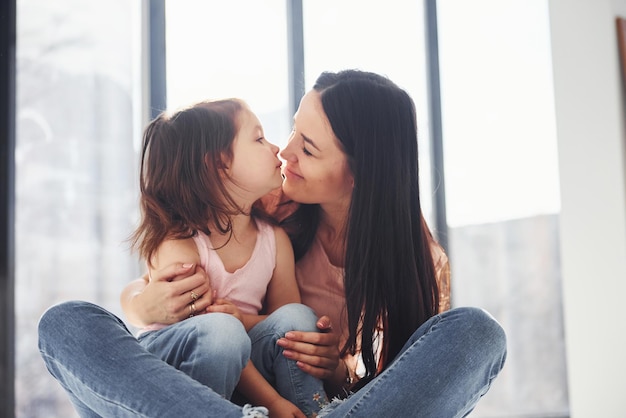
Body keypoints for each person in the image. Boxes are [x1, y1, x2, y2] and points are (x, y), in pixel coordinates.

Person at [38, 69, 507, 418]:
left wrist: (336, 368)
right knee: (67, 323)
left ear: (359, 173)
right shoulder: (266, 203)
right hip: (196, 395)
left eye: (307, 146)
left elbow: (394, 387)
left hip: (307, 402)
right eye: (290, 132)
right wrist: (143, 306)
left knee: (478, 332)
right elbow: (158, 288)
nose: (283, 153)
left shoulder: (410, 260)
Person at [132, 98, 327, 418]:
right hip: (178, 369)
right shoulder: (179, 245)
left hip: (242, 361)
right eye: (259, 139)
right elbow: (217, 336)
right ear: (218, 163)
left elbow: (284, 323)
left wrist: (246, 320)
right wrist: (274, 402)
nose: (276, 148)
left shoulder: (273, 239)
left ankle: (316, 412)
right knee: (223, 333)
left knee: (297, 319)